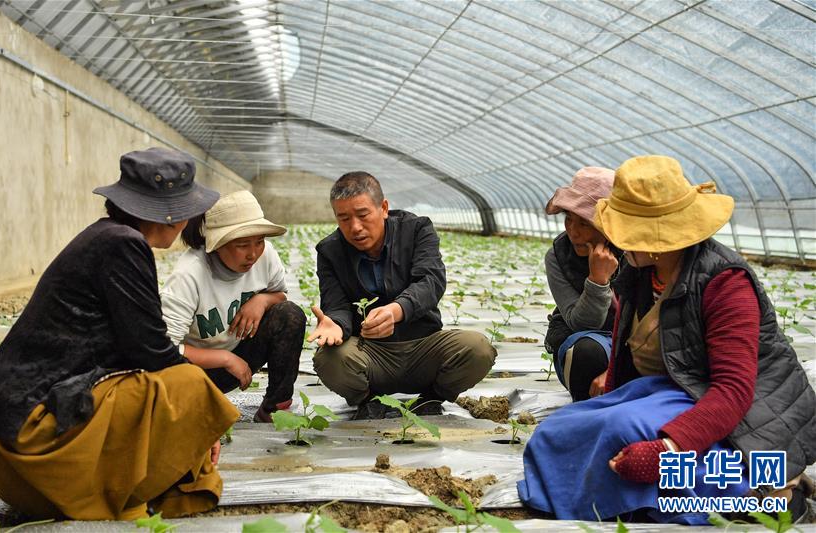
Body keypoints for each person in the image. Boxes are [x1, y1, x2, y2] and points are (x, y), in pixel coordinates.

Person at [517, 155, 816, 524]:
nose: (615, 237)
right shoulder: (641, 272)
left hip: (741, 406)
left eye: (624, 229)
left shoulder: (725, 282)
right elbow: (623, 357)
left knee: (621, 432)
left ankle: (770, 493)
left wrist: (668, 448)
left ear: (655, 238)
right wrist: (608, 400)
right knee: (558, 431)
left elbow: (734, 390)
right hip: (672, 389)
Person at [0, 147, 240, 521]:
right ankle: (117, 494)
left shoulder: (106, 237)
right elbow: (152, 352)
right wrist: (203, 422)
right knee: (188, 384)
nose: (186, 222)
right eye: (184, 212)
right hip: (32, 443)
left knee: (169, 384)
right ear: (168, 214)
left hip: (11, 442)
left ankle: (134, 486)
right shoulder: (123, 245)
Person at [308, 171, 497, 419]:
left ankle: (432, 398)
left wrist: (396, 310)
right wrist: (337, 324)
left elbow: (431, 281)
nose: (355, 227)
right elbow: (336, 304)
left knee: (477, 348)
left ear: (384, 208)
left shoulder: (416, 230)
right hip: (369, 354)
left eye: (363, 215)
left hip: (423, 348)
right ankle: (368, 400)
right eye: (344, 218)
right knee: (329, 358)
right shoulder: (330, 250)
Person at [160, 190, 305, 423]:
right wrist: (224, 358)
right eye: (242, 245)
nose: (253, 254)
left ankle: (275, 408)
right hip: (195, 373)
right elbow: (163, 349)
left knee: (290, 315)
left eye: (259, 241)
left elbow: (281, 296)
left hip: (242, 357)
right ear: (217, 244)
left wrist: (262, 300)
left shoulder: (265, 256)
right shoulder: (189, 274)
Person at [543, 167, 621, 401]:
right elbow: (582, 324)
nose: (573, 232)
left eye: (585, 223)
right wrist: (598, 280)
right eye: (568, 219)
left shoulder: (636, 252)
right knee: (587, 352)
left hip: (633, 344)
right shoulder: (558, 255)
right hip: (584, 341)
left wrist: (616, 369)